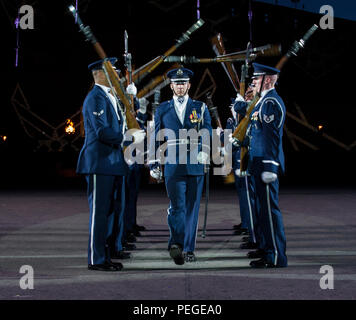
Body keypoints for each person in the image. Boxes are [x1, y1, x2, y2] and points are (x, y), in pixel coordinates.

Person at [76, 57, 145, 271]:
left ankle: (106, 254)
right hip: (99, 162)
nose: (117, 76)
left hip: (113, 162)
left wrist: (131, 99)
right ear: (99, 73)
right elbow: (101, 132)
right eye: (112, 72)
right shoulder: (95, 98)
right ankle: (96, 259)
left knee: (113, 212)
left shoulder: (110, 97)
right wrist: (129, 137)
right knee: (100, 212)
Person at [149, 67, 212, 265]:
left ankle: (189, 249)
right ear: (171, 86)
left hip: (194, 164)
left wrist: (206, 151)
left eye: (183, 83)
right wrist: (153, 162)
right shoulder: (162, 109)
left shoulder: (200, 107)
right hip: (173, 164)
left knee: (192, 208)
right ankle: (176, 244)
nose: (180, 86)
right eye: (177, 83)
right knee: (177, 207)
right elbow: (155, 136)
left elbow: (208, 131)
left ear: (189, 85)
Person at [230, 62, 288, 268]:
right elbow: (256, 135)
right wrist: (241, 141)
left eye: (258, 78)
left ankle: (275, 256)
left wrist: (271, 166)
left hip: (266, 165)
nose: (253, 81)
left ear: (269, 80)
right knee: (261, 211)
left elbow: (270, 138)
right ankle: (265, 249)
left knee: (269, 212)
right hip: (257, 164)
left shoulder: (271, 103)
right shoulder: (262, 102)